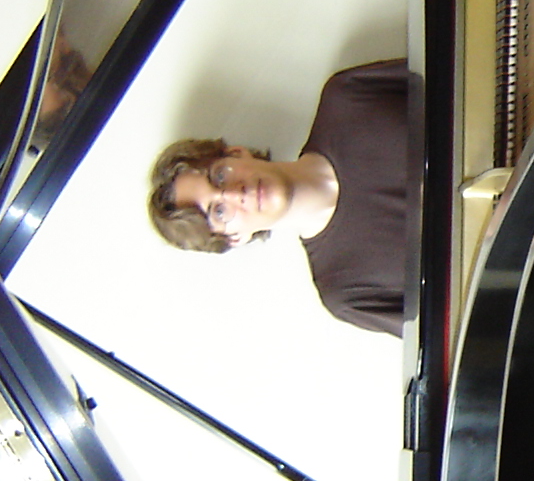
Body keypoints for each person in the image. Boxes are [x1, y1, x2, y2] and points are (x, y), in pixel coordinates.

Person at [148, 59, 412, 336]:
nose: (235, 193)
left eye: (220, 176)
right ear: (236, 238)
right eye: (219, 212)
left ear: (237, 153)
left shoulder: (348, 97)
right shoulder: (345, 292)